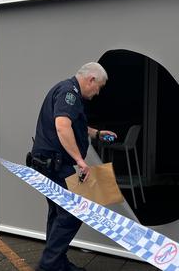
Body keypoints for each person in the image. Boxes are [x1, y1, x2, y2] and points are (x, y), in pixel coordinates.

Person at [30, 62, 117, 271]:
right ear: (91, 79)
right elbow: (62, 125)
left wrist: (96, 133)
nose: (97, 93)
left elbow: (73, 122)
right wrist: (80, 161)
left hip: (49, 163)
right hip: (56, 165)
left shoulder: (68, 91)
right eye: (99, 87)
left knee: (58, 213)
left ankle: (56, 263)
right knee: (73, 213)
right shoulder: (69, 92)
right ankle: (49, 265)